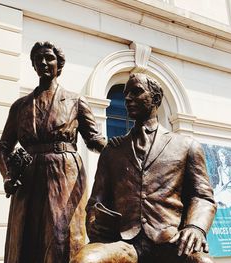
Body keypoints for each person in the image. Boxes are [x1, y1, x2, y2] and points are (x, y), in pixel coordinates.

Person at [72, 73, 217, 263]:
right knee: (84, 261)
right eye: (126, 94)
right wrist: (94, 223)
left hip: (170, 241)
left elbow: (202, 197)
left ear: (156, 99)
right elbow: (95, 201)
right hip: (123, 242)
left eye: (136, 92)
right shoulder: (113, 151)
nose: (128, 98)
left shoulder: (186, 146)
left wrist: (195, 227)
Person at [0, 41, 106, 263]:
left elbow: (93, 139)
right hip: (27, 178)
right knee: (26, 237)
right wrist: (7, 175)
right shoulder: (20, 106)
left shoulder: (76, 101)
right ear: (34, 65)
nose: (44, 62)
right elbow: (2, 148)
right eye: (39, 59)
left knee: (61, 237)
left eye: (49, 58)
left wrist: (120, 150)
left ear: (59, 64)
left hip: (64, 174)